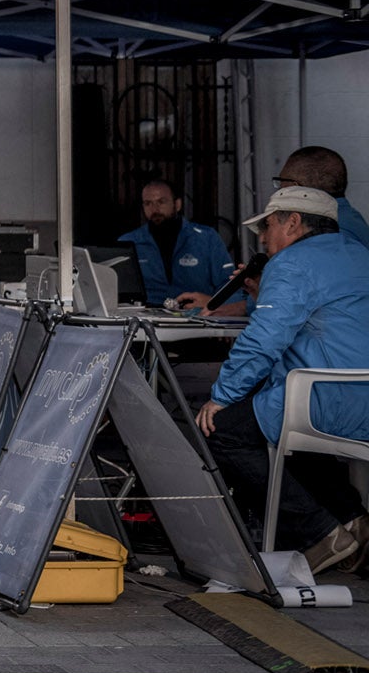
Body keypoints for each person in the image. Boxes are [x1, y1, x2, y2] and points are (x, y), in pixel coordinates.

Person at [197, 187, 369, 572]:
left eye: (268, 225)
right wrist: (261, 293)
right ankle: (355, 521)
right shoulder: (359, 254)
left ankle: (318, 535)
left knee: (221, 430)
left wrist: (222, 396)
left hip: (327, 398)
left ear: (292, 222)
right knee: (285, 433)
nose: (262, 237)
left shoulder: (291, 263)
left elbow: (265, 339)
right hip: (362, 399)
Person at [119, 178, 233, 309]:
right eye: (148, 203)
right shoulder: (129, 242)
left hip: (197, 317)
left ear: (177, 204)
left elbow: (228, 285)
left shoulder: (206, 238)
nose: (154, 209)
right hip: (145, 319)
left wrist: (214, 305)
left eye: (161, 202)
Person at [275, 146, 369, 248]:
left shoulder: (327, 234)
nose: (280, 188)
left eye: (281, 181)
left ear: (295, 187)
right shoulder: (349, 220)